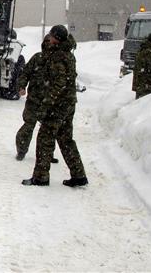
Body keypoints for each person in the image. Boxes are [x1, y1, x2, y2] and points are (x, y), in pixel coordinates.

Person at [22, 25, 88, 188]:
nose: (49, 39)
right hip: (68, 104)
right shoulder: (67, 54)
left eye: (51, 36)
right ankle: (78, 175)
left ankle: (40, 177)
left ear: (56, 38)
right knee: (66, 140)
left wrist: (46, 105)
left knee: (44, 139)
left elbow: (58, 84)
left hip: (58, 105)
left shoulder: (58, 57)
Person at [15, 35, 58, 162]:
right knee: (28, 126)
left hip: (50, 101)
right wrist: (21, 86)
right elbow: (25, 73)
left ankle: (48, 154)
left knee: (48, 129)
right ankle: (21, 151)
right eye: (47, 43)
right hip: (34, 99)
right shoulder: (37, 58)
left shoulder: (58, 60)